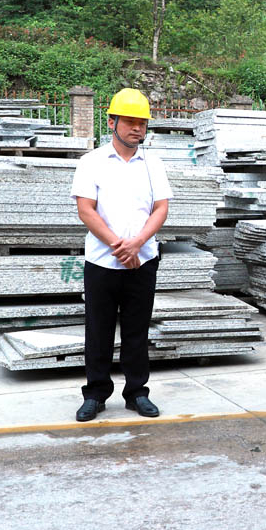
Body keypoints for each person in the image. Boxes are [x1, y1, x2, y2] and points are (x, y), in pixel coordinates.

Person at [70, 88, 172, 422]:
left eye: (141, 123)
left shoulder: (152, 164)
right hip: (102, 262)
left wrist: (137, 244)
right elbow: (86, 210)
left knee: (136, 330)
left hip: (143, 262)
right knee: (97, 331)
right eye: (129, 121)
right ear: (111, 121)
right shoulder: (92, 162)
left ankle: (136, 393)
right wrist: (120, 245)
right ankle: (96, 394)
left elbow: (161, 209)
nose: (136, 129)